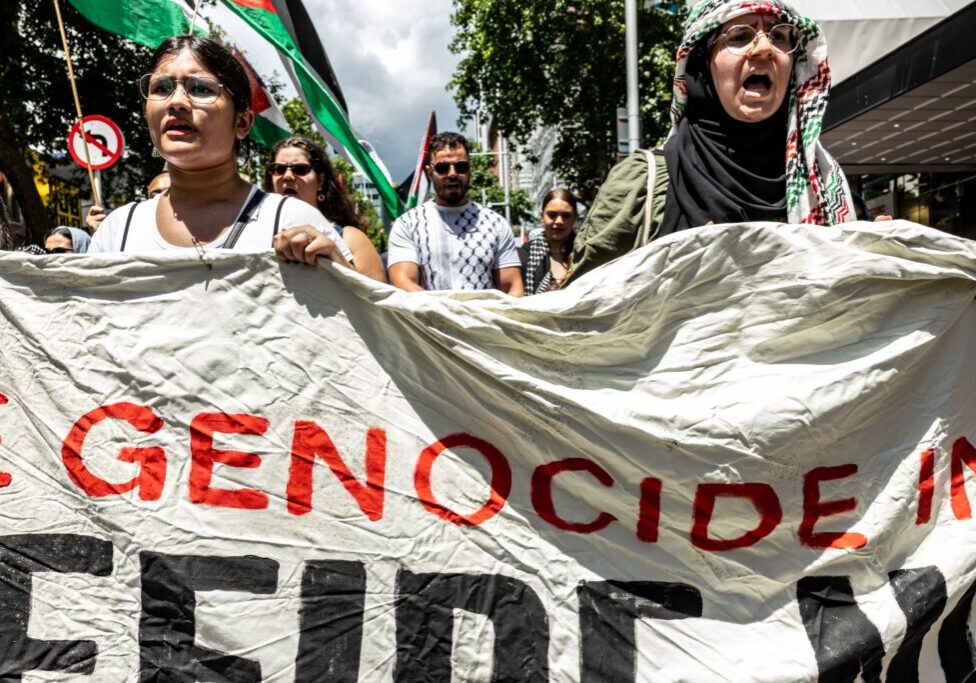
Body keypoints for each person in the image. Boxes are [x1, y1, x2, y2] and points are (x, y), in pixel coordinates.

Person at [569, 0, 855, 283]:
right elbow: (583, 315)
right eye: (741, 36)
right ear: (701, 64)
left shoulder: (826, 187)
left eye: (778, 35)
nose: (764, 49)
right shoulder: (641, 188)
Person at [89, 35, 352, 270]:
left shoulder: (291, 221)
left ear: (242, 123)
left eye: (200, 88)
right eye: (161, 88)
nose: (177, 102)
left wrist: (337, 270)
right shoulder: (117, 231)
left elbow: (361, 320)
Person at [387, 132, 524, 295]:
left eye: (461, 167)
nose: (452, 173)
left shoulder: (495, 224)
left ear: (469, 169)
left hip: (483, 319)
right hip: (430, 319)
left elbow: (512, 287)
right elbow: (403, 283)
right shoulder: (408, 224)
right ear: (430, 172)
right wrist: (452, 314)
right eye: (442, 168)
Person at [264, 136, 386, 282]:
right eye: (279, 169)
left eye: (300, 169)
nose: (288, 176)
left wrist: (336, 256)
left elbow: (378, 301)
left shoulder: (349, 238)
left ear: (320, 182)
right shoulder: (255, 232)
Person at [519, 188, 578, 294]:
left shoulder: (585, 254)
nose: (559, 221)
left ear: (574, 219)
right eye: (552, 215)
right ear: (542, 217)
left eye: (566, 216)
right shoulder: (523, 256)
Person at [85, 172, 171, 234]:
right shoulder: (129, 227)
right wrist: (99, 232)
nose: (162, 197)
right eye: (156, 194)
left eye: (170, 192)